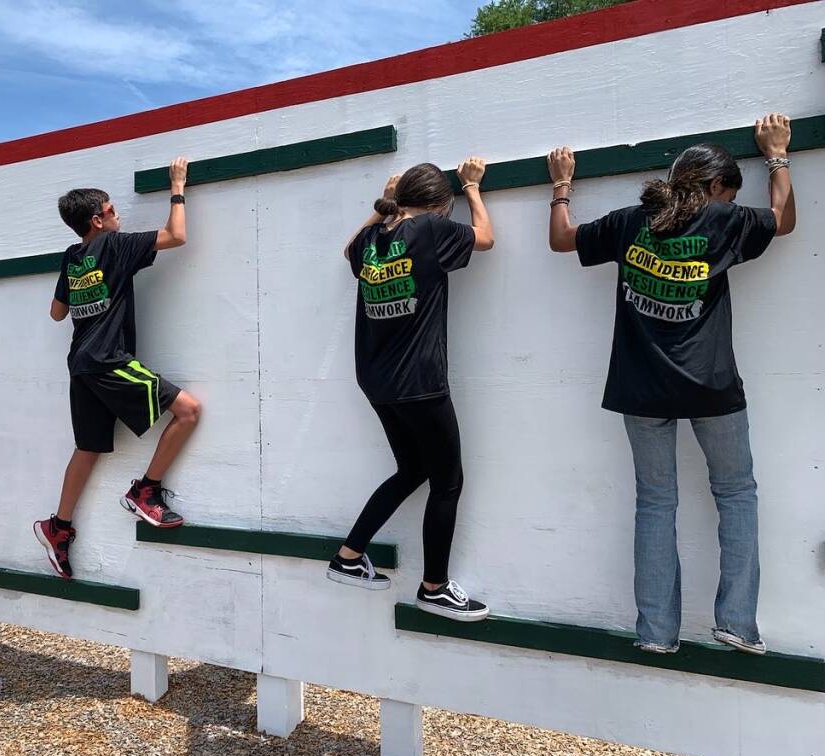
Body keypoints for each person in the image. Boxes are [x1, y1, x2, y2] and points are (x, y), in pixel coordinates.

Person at [546, 114, 796, 654]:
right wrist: (776, 153)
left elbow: (563, 239)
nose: (732, 200)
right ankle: (736, 624)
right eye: (730, 191)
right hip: (711, 386)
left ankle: (657, 633)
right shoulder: (723, 220)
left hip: (641, 388)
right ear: (713, 187)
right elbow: (783, 218)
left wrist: (562, 184)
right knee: (736, 494)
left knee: (656, 503)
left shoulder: (632, 221)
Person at [327, 158, 496, 622]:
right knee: (448, 481)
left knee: (412, 470)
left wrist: (381, 209)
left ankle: (348, 556)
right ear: (441, 207)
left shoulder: (372, 240)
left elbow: (348, 251)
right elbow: (485, 237)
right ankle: (435, 588)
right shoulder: (432, 230)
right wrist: (474, 188)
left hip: (378, 383)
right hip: (420, 384)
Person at [34, 158, 202, 579]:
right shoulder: (116, 244)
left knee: (87, 449)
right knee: (189, 411)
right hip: (110, 362)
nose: (117, 214)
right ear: (98, 219)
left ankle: (58, 527)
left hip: (80, 365)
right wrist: (177, 186)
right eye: (111, 210)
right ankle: (145, 492)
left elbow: (57, 313)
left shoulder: (72, 257)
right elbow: (177, 235)